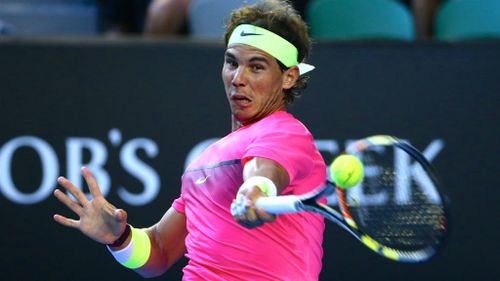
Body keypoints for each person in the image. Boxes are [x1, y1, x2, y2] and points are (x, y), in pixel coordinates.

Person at [53, 0, 326, 280]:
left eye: (256, 67)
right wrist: (119, 237)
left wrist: (255, 191)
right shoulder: (204, 161)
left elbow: (263, 171)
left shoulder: (284, 132)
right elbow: (158, 251)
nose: (238, 78)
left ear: (289, 77)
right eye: (232, 62)